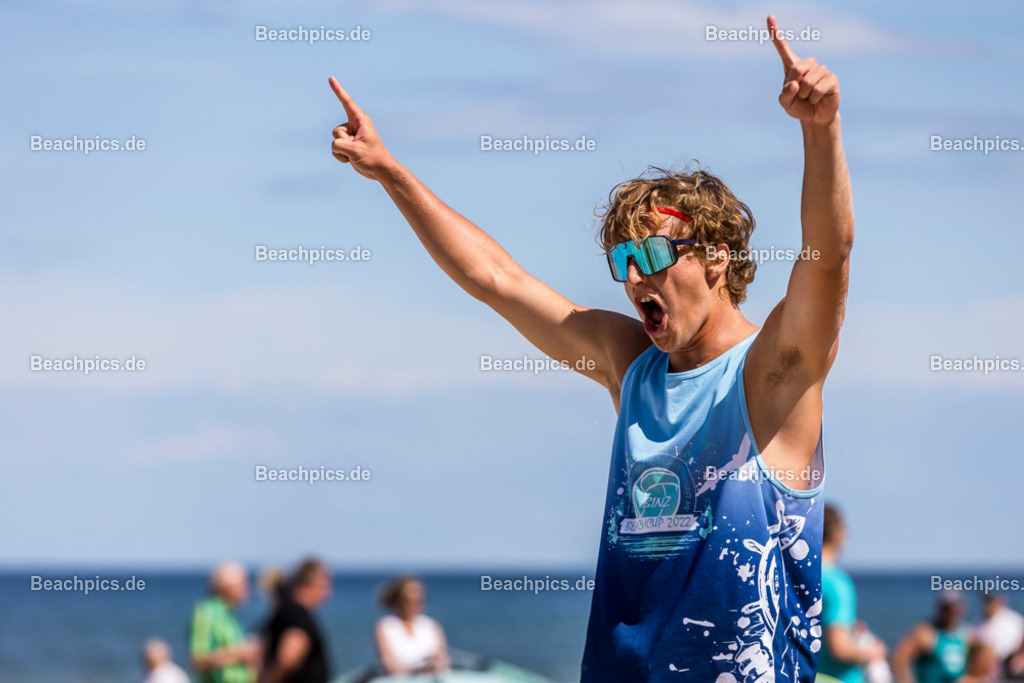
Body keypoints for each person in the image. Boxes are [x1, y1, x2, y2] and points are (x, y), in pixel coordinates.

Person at [328, 12, 849, 681]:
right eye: (622, 261)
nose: (634, 279)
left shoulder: (774, 372)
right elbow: (497, 279)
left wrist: (820, 128)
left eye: (652, 255)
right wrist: (388, 170)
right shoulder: (630, 365)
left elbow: (828, 256)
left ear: (718, 256)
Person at [817, 505, 888, 682]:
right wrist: (873, 651)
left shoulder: (800, 577)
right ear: (837, 534)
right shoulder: (837, 583)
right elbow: (839, 649)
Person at [259, 558, 333, 683]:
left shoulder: (292, 610)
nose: (327, 594)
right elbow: (289, 657)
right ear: (314, 584)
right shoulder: (296, 612)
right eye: (325, 586)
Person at [189, 562, 260, 683]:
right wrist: (241, 653)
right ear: (227, 586)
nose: (248, 590)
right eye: (243, 584)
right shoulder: (206, 612)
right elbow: (197, 660)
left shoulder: (230, 614)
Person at [374, 575, 449, 675]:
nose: (415, 605)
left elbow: (443, 659)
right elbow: (390, 665)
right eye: (409, 600)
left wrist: (436, 665)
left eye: (419, 600)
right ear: (398, 600)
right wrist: (418, 669)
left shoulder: (432, 624)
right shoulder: (386, 626)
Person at [892, 592, 969, 683]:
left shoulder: (965, 633)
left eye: (955, 608)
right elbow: (899, 659)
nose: (951, 613)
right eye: (947, 609)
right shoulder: (926, 632)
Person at [973, 593, 1024, 677]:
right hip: (990, 672)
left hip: (1012, 670)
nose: (989, 605)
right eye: (987, 601)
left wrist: (1019, 658)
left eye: (992, 601)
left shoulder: (1015, 621)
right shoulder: (977, 626)